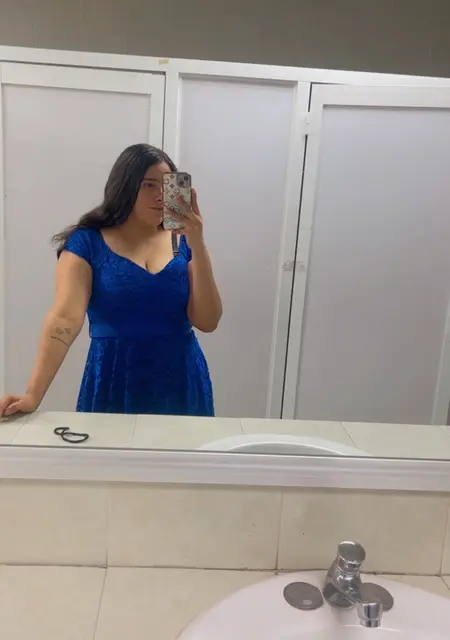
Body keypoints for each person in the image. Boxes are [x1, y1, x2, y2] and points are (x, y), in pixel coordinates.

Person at [0, 144, 222, 417]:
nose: (160, 195)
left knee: (182, 446)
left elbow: (208, 321)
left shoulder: (185, 242)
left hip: (182, 378)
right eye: (148, 185)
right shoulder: (87, 243)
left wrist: (197, 241)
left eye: (166, 185)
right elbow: (64, 319)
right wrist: (33, 394)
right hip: (114, 376)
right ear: (125, 186)